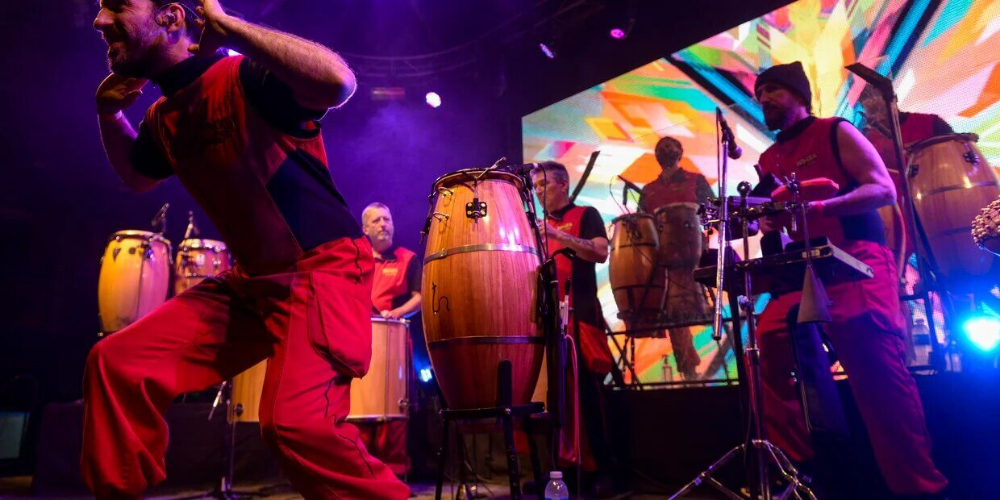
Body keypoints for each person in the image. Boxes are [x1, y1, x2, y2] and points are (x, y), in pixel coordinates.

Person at [86, 0, 409, 497]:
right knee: (117, 363)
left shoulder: (243, 77)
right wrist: (109, 111)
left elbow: (338, 82)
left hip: (321, 271)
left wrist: (229, 24)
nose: (100, 21)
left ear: (171, 17)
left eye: (119, 6)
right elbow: (135, 173)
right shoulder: (163, 115)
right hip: (253, 284)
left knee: (295, 425)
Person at [753, 61, 948, 497]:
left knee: (878, 374)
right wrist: (764, 221)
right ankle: (799, 474)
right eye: (758, 92)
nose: (763, 98)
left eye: (772, 90)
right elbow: (771, 216)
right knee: (768, 337)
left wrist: (822, 209)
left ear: (798, 95)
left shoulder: (836, 130)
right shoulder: (768, 159)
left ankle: (921, 488)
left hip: (859, 258)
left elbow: (883, 189)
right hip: (805, 266)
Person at [531, 161, 618, 496]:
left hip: (581, 313)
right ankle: (559, 471)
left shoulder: (585, 213)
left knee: (588, 391)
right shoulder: (534, 225)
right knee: (553, 397)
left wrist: (557, 234)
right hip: (548, 317)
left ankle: (604, 468)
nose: (539, 192)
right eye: (535, 187)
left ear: (563, 184)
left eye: (544, 185)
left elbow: (599, 252)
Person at [637, 137, 713, 379]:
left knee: (697, 307)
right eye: (661, 147)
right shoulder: (648, 190)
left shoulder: (696, 180)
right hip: (665, 258)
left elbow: (714, 210)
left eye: (671, 147)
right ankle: (688, 370)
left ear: (680, 152)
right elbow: (642, 224)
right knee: (673, 314)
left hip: (696, 253)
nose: (666, 150)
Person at [358, 202, 421, 475]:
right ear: (365, 229)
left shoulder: (408, 258)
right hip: (358, 341)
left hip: (393, 341)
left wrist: (395, 313)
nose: (384, 224)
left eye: (387, 219)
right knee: (358, 406)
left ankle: (393, 475)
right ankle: (361, 474)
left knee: (393, 409)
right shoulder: (354, 259)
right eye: (377, 221)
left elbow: (419, 297)